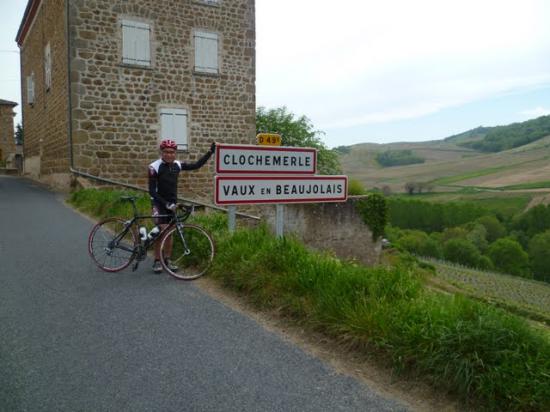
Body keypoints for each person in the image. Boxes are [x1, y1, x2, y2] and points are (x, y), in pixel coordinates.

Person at [148, 139, 216, 273]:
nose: (169, 155)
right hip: (159, 203)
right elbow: (152, 191)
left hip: (172, 204)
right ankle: (156, 260)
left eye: (172, 152)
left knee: (170, 233)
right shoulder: (153, 167)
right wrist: (165, 204)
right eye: (166, 152)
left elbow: (196, 165)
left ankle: (167, 259)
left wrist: (210, 152)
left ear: (175, 153)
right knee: (162, 231)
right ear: (162, 152)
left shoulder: (177, 165)